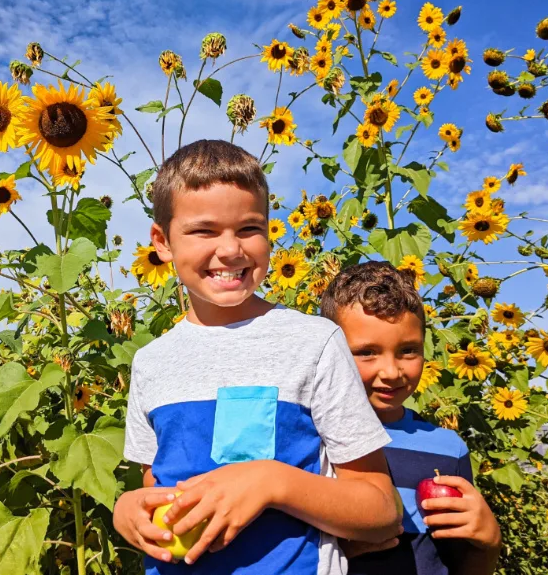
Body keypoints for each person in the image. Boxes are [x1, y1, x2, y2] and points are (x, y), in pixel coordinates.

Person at [113, 140, 402, 574]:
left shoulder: (313, 342)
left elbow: (381, 510)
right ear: (162, 241)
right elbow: (155, 486)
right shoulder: (152, 362)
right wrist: (127, 509)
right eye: (204, 231)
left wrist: (273, 482)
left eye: (249, 228)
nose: (230, 250)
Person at [320, 261, 502, 575]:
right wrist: (335, 550)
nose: (391, 372)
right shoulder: (315, 440)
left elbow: (463, 564)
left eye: (408, 350)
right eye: (366, 352)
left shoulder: (447, 449)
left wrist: (489, 541)